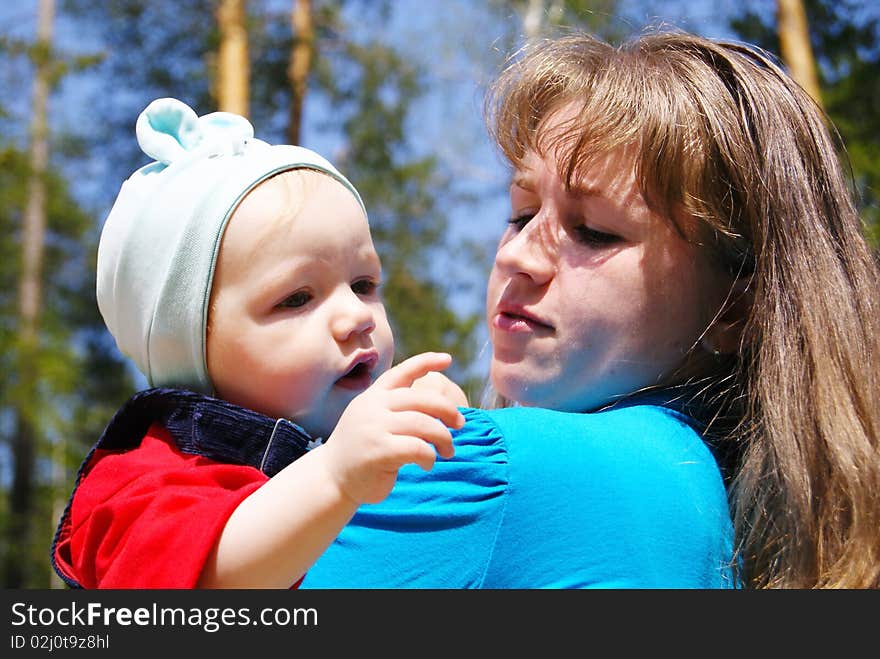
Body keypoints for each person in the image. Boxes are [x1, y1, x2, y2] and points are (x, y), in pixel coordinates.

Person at [297, 29, 880, 589]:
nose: (519, 255)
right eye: (521, 214)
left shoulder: (490, 472)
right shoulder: (744, 526)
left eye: (594, 232)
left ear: (733, 310)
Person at [50, 97, 466, 589]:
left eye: (363, 284)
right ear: (192, 348)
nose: (356, 315)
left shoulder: (352, 451)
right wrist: (334, 476)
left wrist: (439, 432)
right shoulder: (143, 481)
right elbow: (202, 586)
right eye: (296, 299)